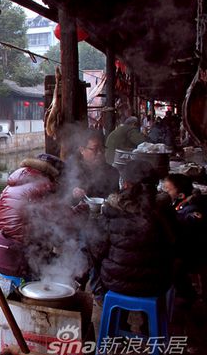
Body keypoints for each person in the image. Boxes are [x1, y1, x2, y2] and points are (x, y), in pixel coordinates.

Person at [89, 160, 173, 300]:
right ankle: (149, 320)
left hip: (117, 282)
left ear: (126, 183)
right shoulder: (165, 208)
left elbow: (98, 249)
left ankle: (100, 298)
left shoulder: (113, 208)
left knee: (92, 244)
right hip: (159, 282)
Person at [0, 153, 65, 278]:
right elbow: (62, 219)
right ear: (53, 174)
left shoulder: (11, 186)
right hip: (21, 260)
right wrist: (82, 209)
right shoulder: (44, 187)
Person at [163, 173, 206, 302]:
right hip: (185, 249)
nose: (164, 192)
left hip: (192, 254)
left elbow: (186, 233)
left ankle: (186, 295)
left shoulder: (192, 210)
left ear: (181, 195)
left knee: (169, 263)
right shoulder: (180, 204)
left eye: (168, 190)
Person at [64, 129, 120, 203]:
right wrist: (73, 193)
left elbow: (115, 198)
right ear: (82, 150)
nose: (100, 153)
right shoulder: (72, 170)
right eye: (95, 149)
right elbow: (62, 197)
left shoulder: (112, 172)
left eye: (102, 148)